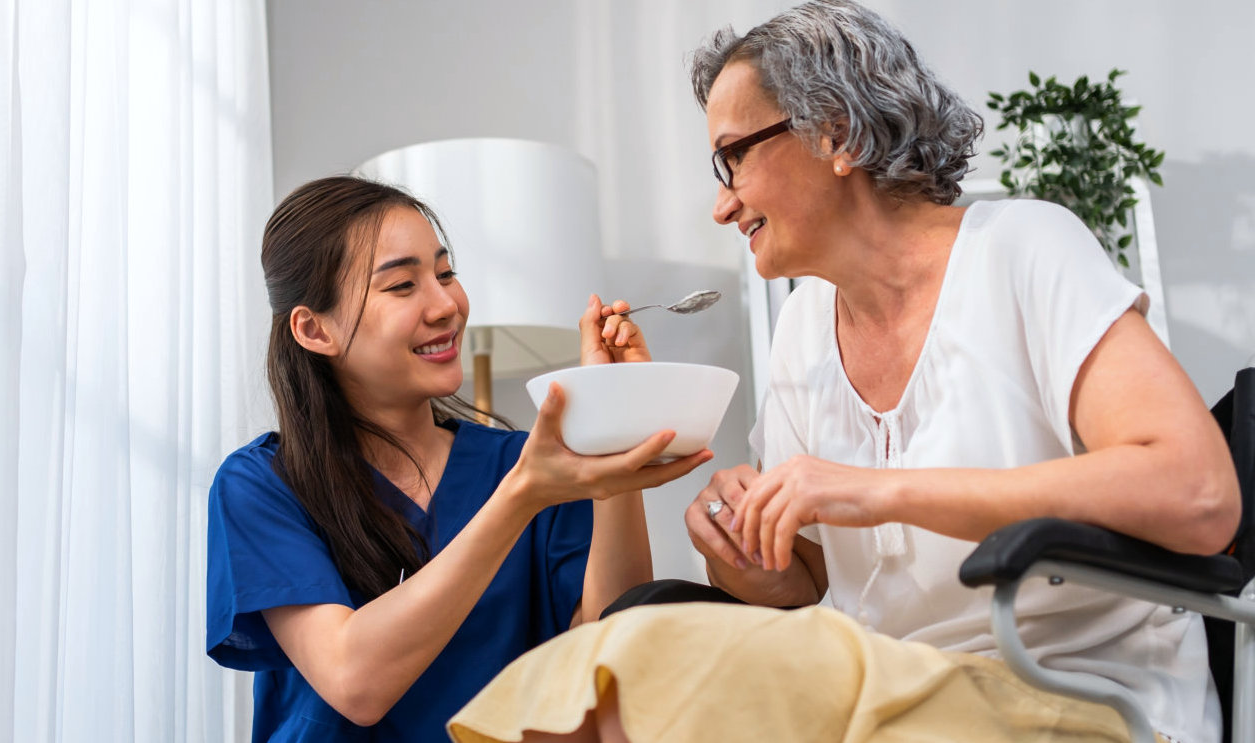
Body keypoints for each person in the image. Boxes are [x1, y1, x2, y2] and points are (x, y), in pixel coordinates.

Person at [447, 2, 1240, 742]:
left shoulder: (1022, 249)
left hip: (1073, 693)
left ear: (834, 135)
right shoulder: (801, 331)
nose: (721, 207)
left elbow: (1197, 495)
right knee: (603, 665)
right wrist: (740, 543)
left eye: (731, 159)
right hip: (885, 685)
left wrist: (878, 490)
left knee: (644, 666)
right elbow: (804, 584)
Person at [203, 175, 711, 742]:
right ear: (313, 328)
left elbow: (606, 652)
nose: (446, 305)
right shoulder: (262, 485)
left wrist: (614, 430)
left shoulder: (523, 462)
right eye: (401, 286)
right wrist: (522, 497)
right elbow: (355, 682)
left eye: (445, 274)